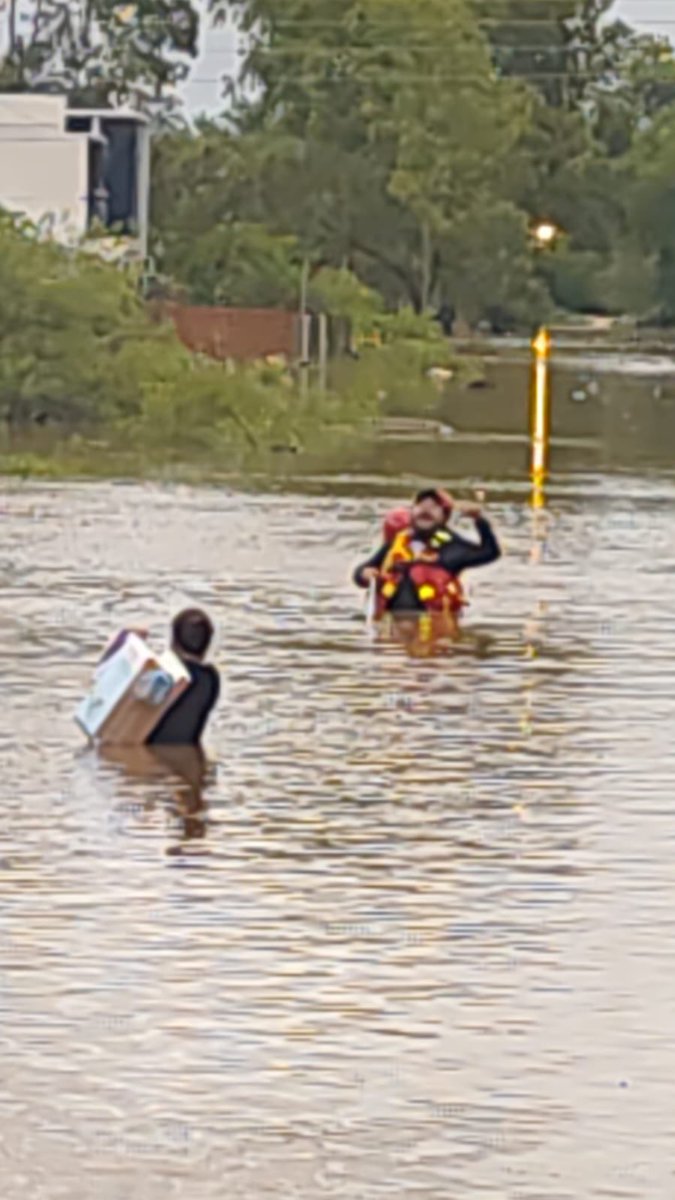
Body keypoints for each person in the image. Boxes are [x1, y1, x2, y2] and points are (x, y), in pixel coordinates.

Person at [354, 487, 500, 618]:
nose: (426, 510)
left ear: (444, 517)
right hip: (392, 620)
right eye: (421, 506)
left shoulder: (452, 547)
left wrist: (479, 521)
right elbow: (362, 573)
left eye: (434, 507)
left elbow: (490, 552)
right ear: (411, 512)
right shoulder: (397, 542)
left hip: (434, 624)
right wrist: (363, 573)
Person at [147, 608, 220, 747]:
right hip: (188, 750)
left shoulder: (162, 675)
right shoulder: (211, 678)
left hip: (151, 751)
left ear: (174, 639)